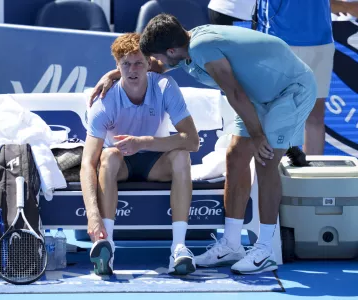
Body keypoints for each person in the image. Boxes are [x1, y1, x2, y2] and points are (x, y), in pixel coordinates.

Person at [90, 14, 317, 274]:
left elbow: (234, 93)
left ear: (171, 50)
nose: (157, 63)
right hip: (258, 98)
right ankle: (232, 244)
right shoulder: (184, 47)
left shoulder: (202, 47)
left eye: (159, 56)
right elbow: (150, 67)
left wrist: (256, 135)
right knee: (235, 157)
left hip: (289, 91)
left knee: (264, 159)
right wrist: (112, 75)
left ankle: (265, 248)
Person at [80, 33, 200, 276]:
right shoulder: (104, 103)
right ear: (117, 66)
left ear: (149, 64)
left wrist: (142, 142)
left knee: (181, 155)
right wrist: (93, 216)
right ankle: (107, 244)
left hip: (156, 163)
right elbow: (86, 164)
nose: (132, 70)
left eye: (138, 63)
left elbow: (193, 141)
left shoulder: (165, 87)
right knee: (108, 157)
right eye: (126, 64)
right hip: (121, 165)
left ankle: (179, 247)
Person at [255, 0, 335, 159]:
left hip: (320, 41)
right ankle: (270, 178)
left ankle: (310, 178)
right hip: (278, 41)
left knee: (315, 116)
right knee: (273, 113)